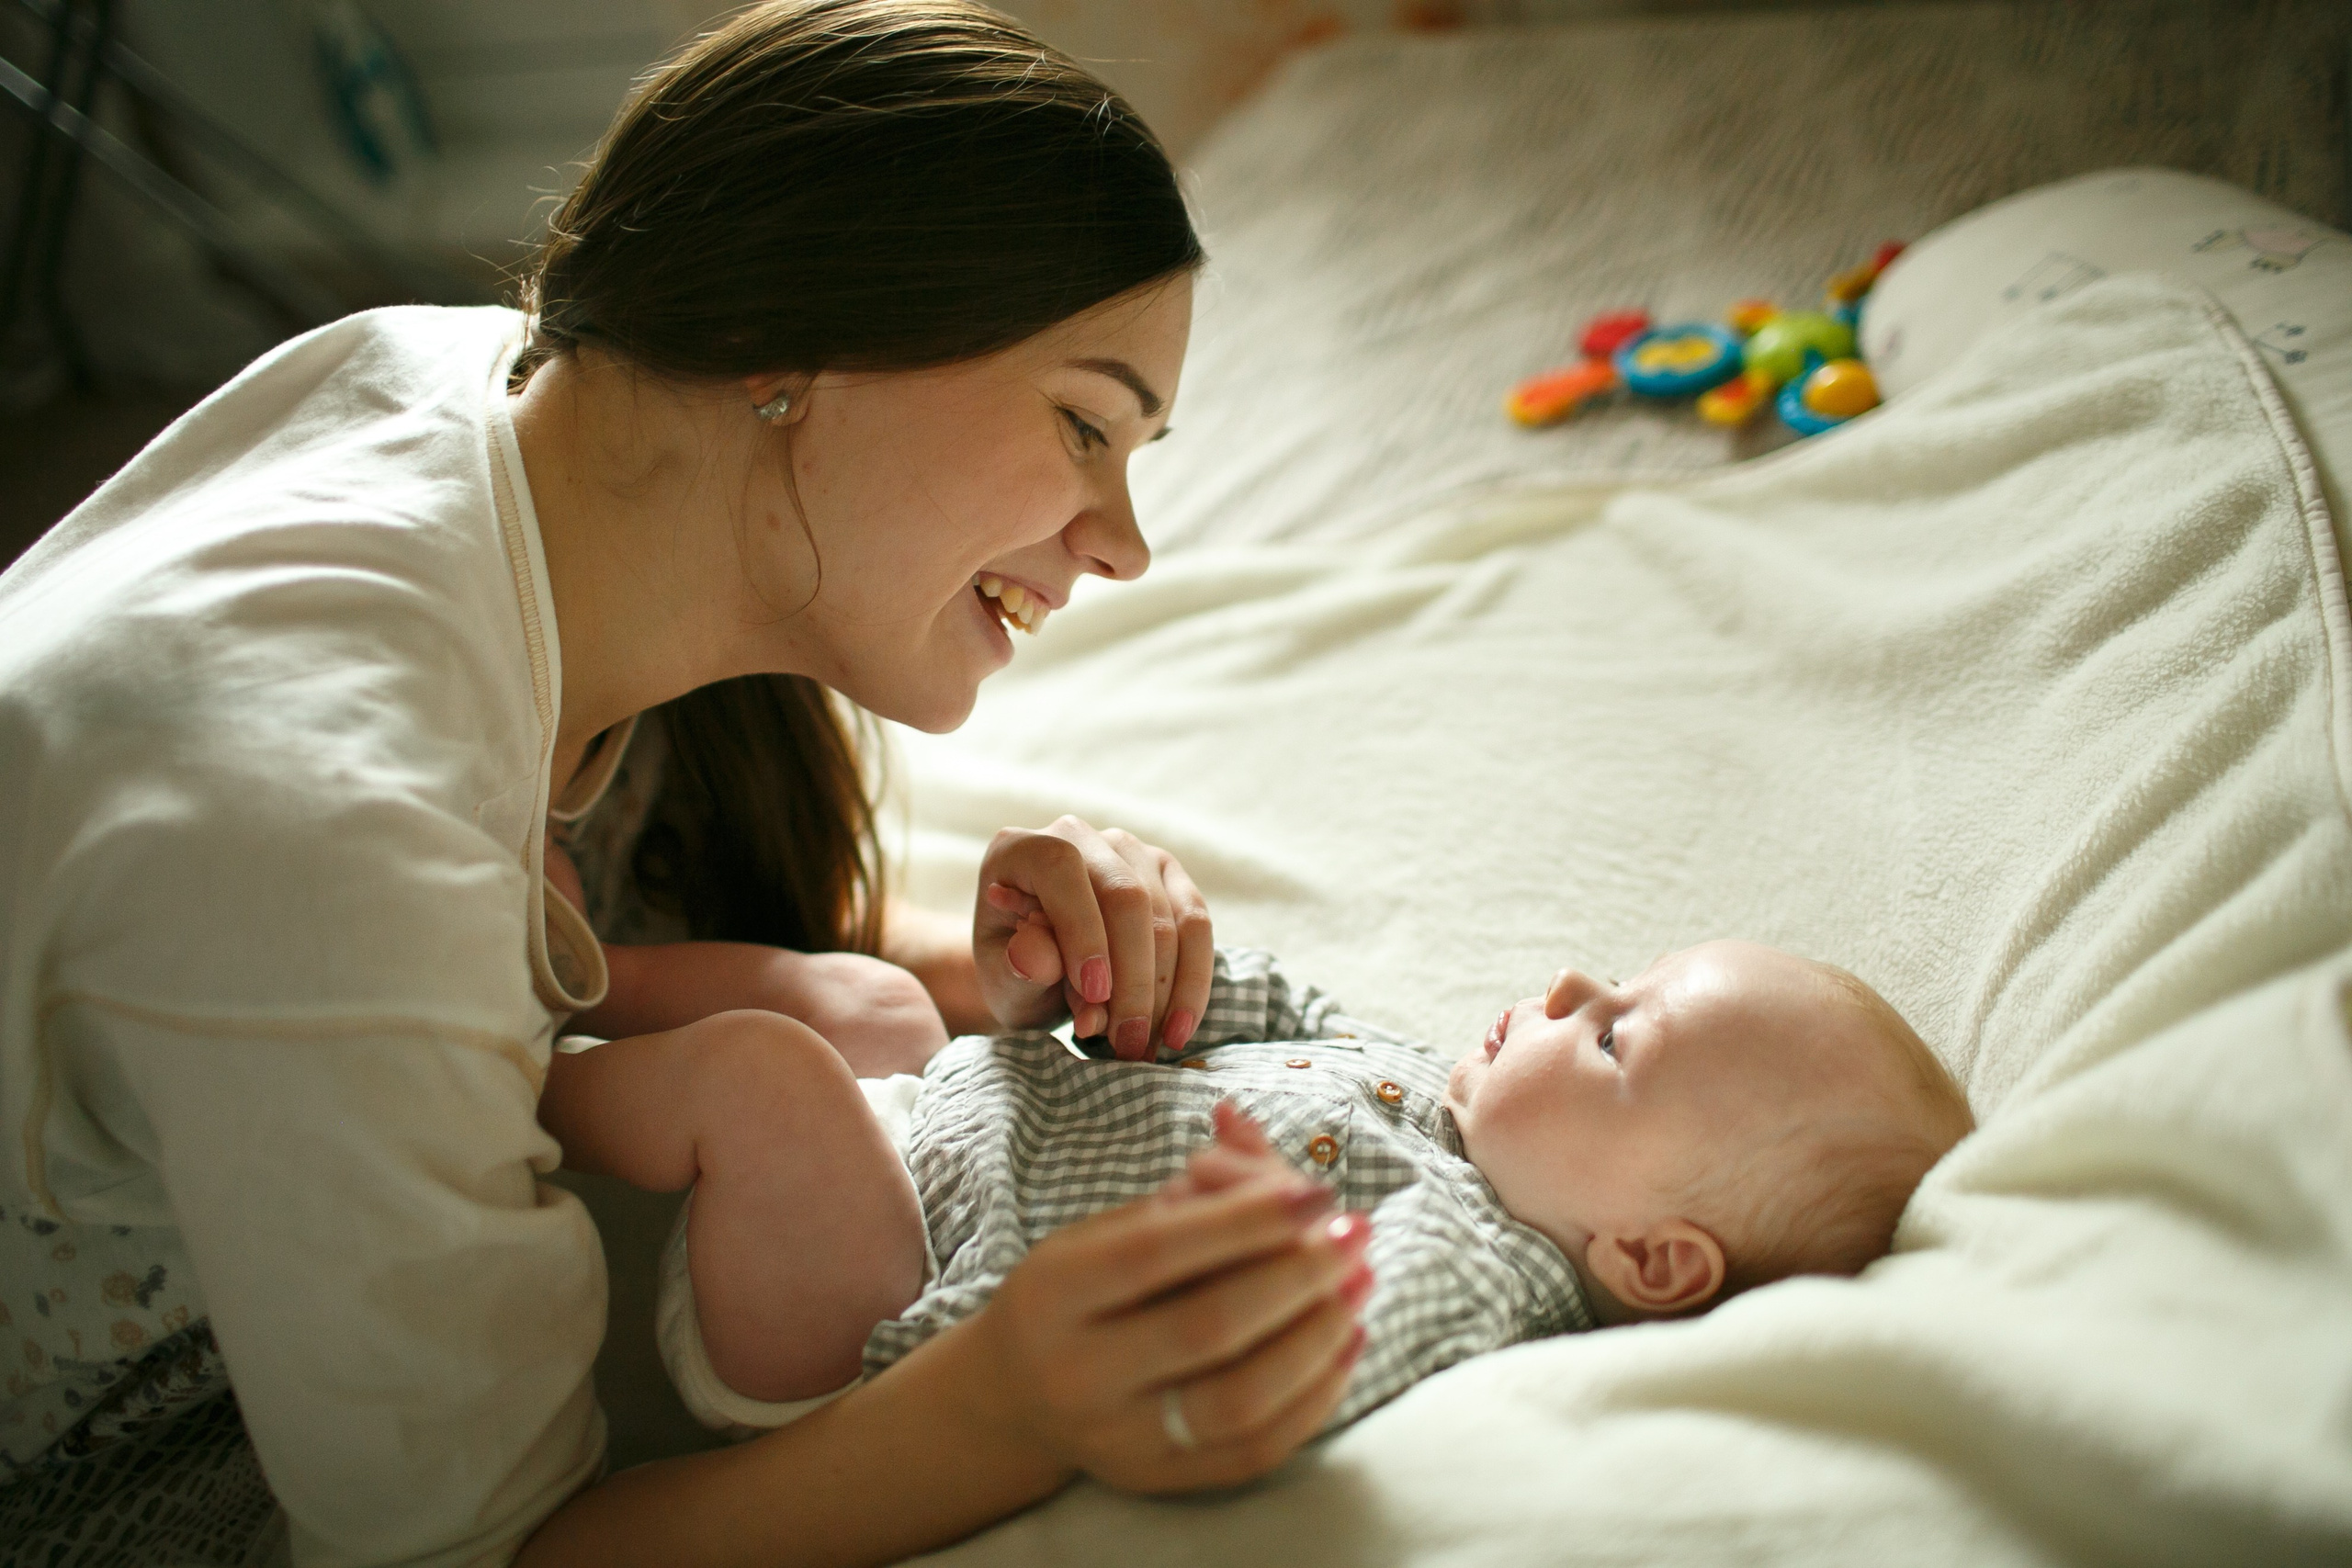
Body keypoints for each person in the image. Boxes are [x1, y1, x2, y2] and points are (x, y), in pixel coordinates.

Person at [0, 5, 1374, 1562]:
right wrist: (1004, 1408)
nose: (1125, 543)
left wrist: (989, 963)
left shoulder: (537, 440)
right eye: (1082, 424)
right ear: (787, 347)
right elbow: (476, 1553)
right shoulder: (318, 843)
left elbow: (587, 948)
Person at [541, 932, 1975, 1437]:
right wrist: (1118, 970)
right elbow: (1260, 1007)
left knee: (772, 1086)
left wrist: (1250, 1260)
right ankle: (572, 968)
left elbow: (1317, 1350)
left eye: (1615, 1035)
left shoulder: (1487, 1276)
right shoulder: (1427, 1078)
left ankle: (494, 1086)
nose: (1567, 983)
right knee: (869, 1004)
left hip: (879, 1316)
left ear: (1653, 1258)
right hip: (922, 1128)